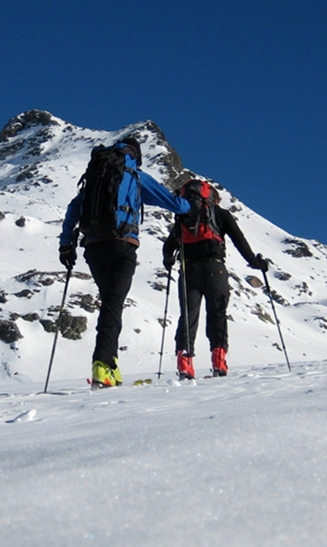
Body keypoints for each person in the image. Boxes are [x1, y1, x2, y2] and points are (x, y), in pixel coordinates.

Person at [59, 136, 191, 388]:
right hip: (122, 245)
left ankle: (111, 364)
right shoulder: (135, 175)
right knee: (113, 304)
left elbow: (74, 209)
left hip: (93, 247)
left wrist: (66, 244)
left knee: (110, 302)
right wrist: (189, 203)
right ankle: (102, 366)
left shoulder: (96, 174)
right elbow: (176, 205)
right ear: (136, 155)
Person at [162, 179, 268, 379]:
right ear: (212, 198)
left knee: (188, 315)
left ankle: (185, 363)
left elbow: (168, 247)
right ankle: (219, 360)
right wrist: (256, 262)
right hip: (215, 267)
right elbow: (239, 240)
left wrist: (168, 261)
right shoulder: (220, 214)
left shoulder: (183, 217)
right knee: (217, 313)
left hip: (189, 270)